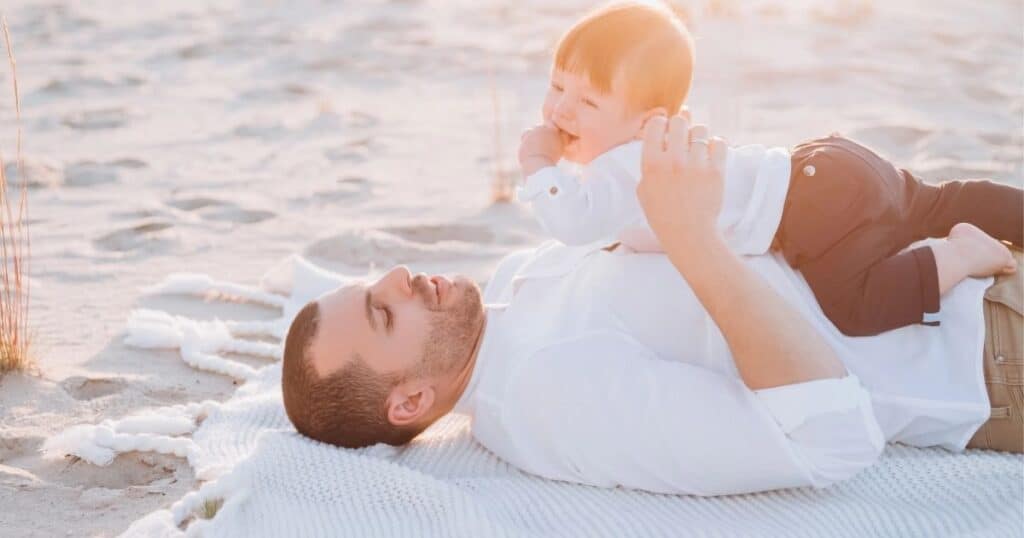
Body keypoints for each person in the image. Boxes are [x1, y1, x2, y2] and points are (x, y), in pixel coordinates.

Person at [281, 115, 1022, 497]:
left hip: (941, 243)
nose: (403, 276)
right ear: (411, 400)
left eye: (379, 280)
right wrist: (691, 235)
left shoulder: (518, 278)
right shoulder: (547, 400)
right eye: (383, 314)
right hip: (983, 349)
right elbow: (830, 440)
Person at [516, 1, 1022, 337]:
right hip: (827, 162)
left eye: (588, 102)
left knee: (854, 308)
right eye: (558, 87)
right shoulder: (649, 149)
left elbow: (575, 224)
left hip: (811, 213)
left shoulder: (629, 165)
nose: (561, 111)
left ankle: (959, 255)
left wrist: (540, 163)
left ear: (647, 123)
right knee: (937, 200)